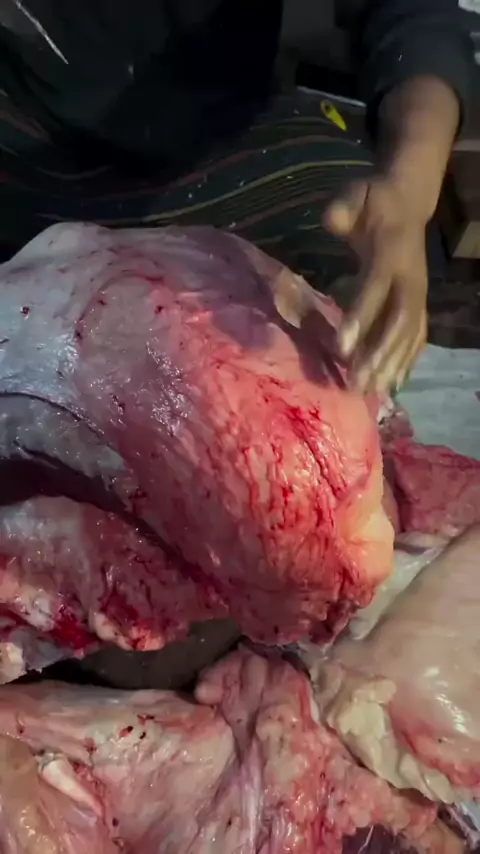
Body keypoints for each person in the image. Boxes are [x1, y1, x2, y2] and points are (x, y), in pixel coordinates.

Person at [0, 0, 473, 392]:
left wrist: (409, 190)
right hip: (26, 138)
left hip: (224, 144)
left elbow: (413, 13)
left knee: (368, 296)